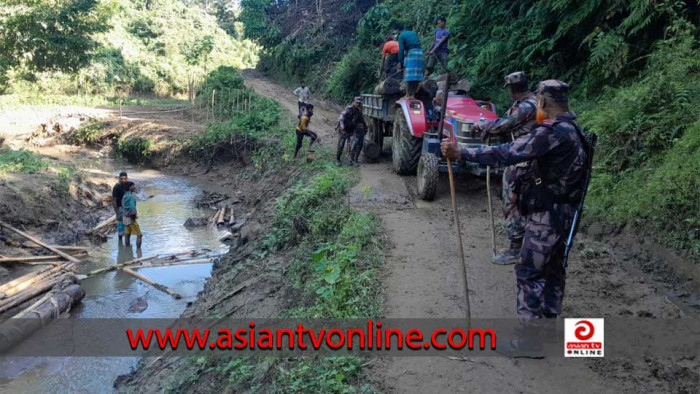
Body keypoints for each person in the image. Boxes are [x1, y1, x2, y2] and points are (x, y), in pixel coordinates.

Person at [440, 80, 587, 320]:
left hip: (547, 216)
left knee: (529, 271)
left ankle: (529, 340)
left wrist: (461, 153)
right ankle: (547, 325)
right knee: (554, 269)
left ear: (542, 101)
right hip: (567, 213)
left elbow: (505, 153)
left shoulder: (550, 133)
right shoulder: (574, 129)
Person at [474, 71, 538, 265]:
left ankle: (515, 248)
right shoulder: (529, 103)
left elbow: (504, 125)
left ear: (512, 89)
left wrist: (483, 125)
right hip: (526, 157)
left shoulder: (527, 106)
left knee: (511, 201)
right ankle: (527, 243)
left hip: (522, 160)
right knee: (524, 202)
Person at [395, 23, 423, 99]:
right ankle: (413, 95)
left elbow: (401, 50)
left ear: (397, 30)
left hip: (412, 53)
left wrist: (399, 61)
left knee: (409, 75)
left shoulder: (401, 36)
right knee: (416, 75)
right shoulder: (413, 33)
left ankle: (407, 95)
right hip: (419, 53)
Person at [336, 97, 366, 166]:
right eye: (357, 102)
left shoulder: (358, 111)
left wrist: (364, 128)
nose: (358, 104)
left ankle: (351, 160)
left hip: (351, 130)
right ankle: (338, 159)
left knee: (353, 145)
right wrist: (342, 124)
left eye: (359, 103)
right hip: (344, 130)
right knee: (341, 145)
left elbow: (361, 120)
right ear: (354, 102)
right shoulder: (348, 109)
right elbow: (341, 117)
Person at [122, 181, 143, 248]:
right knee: (139, 235)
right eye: (132, 186)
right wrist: (134, 217)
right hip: (131, 218)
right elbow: (132, 208)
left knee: (127, 234)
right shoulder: (131, 197)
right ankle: (139, 252)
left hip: (125, 218)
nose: (134, 187)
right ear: (129, 187)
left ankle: (127, 249)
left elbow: (123, 206)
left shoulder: (124, 196)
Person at [112, 172, 128, 244]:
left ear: (127, 178)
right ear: (119, 179)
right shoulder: (116, 187)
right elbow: (114, 201)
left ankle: (127, 245)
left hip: (128, 209)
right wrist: (117, 213)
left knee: (128, 227)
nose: (123, 180)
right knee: (120, 227)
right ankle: (120, 244)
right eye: (121, 179)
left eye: (124, 179)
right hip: (120, 209)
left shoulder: (128, 186)